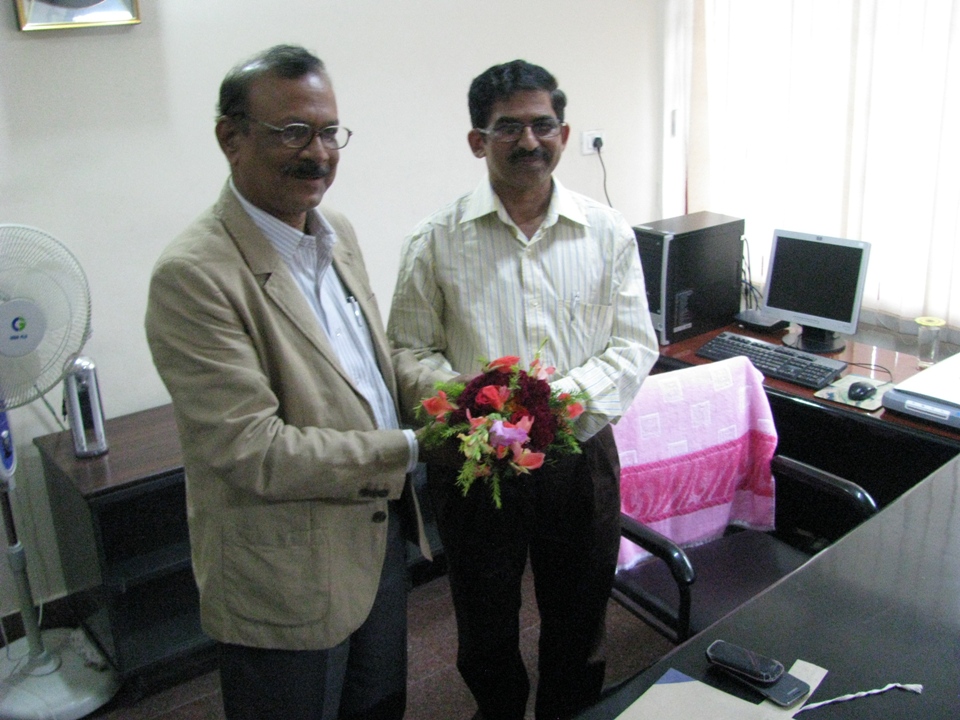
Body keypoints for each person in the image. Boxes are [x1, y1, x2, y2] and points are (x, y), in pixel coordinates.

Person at [144, 45, 447, 720]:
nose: (317, 153)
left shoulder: (336, 230)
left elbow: (371, 364)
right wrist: (414, 449)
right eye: (291, 132)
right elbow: (254, 450)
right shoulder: (194, 276)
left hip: (374, 542)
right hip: (283, 573)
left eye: (328, 131)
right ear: (231, 138)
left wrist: (450, 396)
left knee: (378, 706)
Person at [387, 60, 659, 720]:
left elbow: (632, 345)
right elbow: (405, 351)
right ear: (478, 140)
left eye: (543, 125)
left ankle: (570, 709)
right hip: (478, 460)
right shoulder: (435, 241)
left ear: (564, 134)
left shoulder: (607, 231)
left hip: (579, 455)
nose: (529, 141)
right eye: (509, 127)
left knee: (581, 608)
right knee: (484, 615)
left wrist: (549, 409)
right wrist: (481, 407)